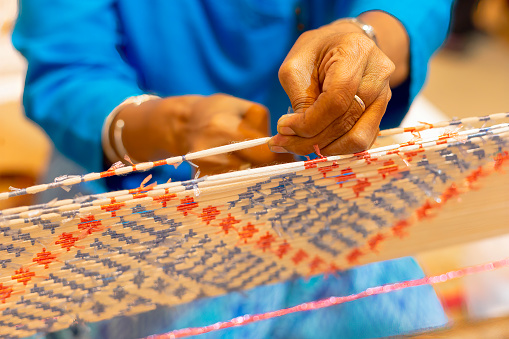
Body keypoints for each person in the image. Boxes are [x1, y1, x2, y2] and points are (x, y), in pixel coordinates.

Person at [13, 1, 453, 338]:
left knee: (388, 305)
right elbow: (66, 65)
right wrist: (171, 125)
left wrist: (364, 36)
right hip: (121, 166)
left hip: (307, 171)